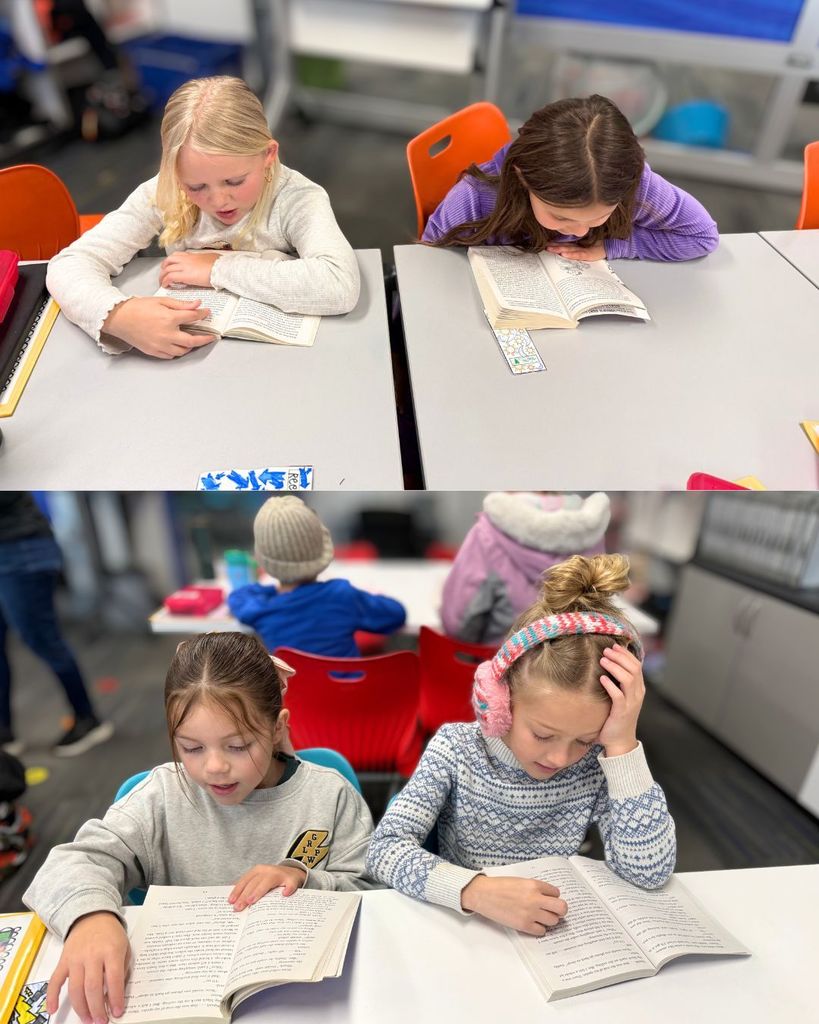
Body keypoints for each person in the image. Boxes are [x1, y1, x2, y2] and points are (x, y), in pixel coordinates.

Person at [24, 631, 377, 1024]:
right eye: (191, 748)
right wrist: (89, 918)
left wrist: (303, 876)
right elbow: (72, 863)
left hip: (308, 1001)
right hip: (181, 1001)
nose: (214, 767)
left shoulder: (328, 796)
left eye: (238, 746)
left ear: (278, 728)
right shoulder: (161, 796)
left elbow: (372, 890)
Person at [367, 553, 676, 936]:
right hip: (471, 930)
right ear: (498, 700)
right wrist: (474, 890)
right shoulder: (456, 749)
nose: (561, 757)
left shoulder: (599, 763)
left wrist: (622, 746)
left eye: (585, 738)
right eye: (543, 734)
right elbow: (384, 850)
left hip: (553, 935)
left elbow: (650, 872)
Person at [46, 75, 360, 359]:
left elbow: (339, 285)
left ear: (268, 155)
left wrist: (217, 268)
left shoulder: (297, 198)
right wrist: (119, 315)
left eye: (235, 181)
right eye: (196, 186)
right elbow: (69, 264)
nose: (219, 200)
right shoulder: (165, 191)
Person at [423, 94, 718, 262]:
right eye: (561, 217)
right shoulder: (474, 197)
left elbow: (701, 236)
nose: (578, 232)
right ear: (523, 179)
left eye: (598, 217)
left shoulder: (632, 184)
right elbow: (425, 267)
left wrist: (612, 247)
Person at [0, 492, 113, 757]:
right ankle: (4, 732)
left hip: (21, 550)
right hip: (16, 546)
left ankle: (87, 719)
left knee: (43, 639)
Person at [228, 496, 407, 656]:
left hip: (293, 693)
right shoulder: (342, 595)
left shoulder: (261, 610)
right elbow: (396, 615)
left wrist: (274, 591)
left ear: (263, 559)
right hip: (350, 692)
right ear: (322, 549)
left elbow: (237, 597)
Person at [441, 492, 611, 644]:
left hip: (500, 665)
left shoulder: (487, 531)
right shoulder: (591, 527)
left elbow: (459, 624)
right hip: (574, 668)